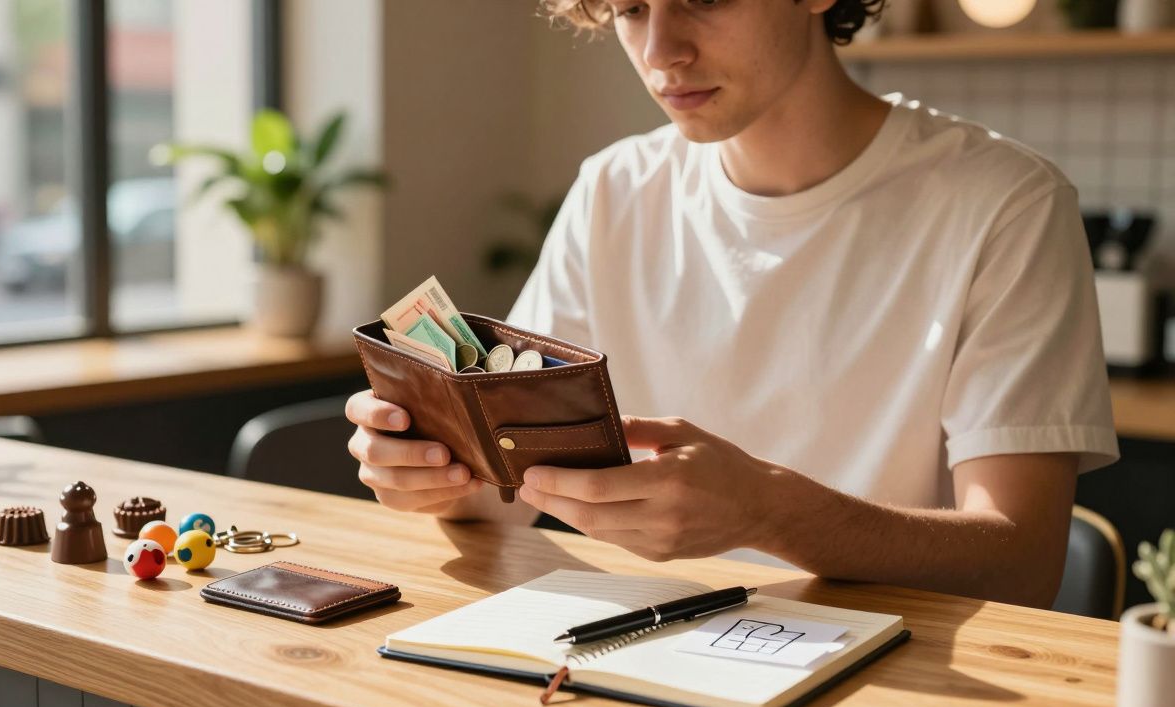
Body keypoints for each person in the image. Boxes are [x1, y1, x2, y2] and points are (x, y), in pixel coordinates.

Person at [345, 0, 1118, 608]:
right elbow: (512, 500)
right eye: (630, 8)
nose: (659, 53)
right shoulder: (613, 192)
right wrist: (441, 477)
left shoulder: (1006, 204)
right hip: (634, 661)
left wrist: (770, 513)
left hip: (888, 684)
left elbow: (1021, 562)